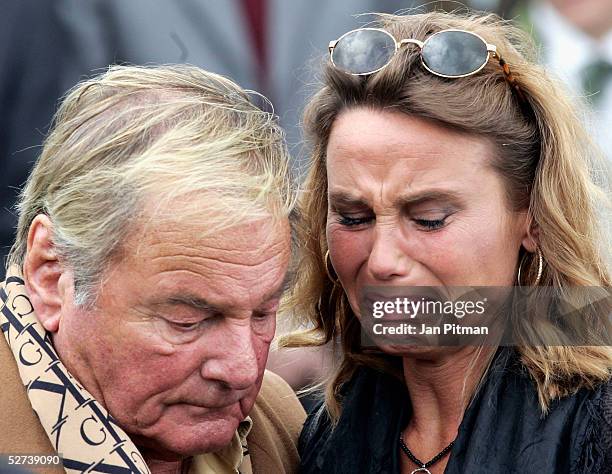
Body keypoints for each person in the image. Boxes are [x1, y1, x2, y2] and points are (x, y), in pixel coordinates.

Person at [283, 11, 612, 474]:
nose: (383, 261)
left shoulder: (596, 426)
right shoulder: (321, 432)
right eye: (354, 218)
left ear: (534, 217)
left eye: (429, 220)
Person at [0, 64, 305, 473]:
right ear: (52, 276)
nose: (242, 369)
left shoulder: (280, 424)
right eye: (188, 319)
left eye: (263, 314)